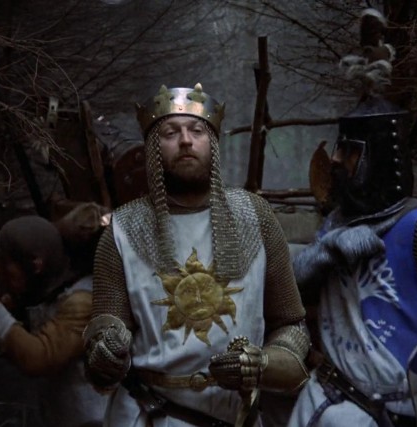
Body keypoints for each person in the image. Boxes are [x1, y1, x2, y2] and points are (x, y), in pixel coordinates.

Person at [83, 83, 311, 426]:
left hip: (237, 415)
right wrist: (106, 346)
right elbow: (107, 321)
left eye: (197, 130)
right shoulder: (124, 229)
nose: (186, 141)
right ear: (152, 148)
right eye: (170, 132)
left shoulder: (255, 217)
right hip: (150, 415)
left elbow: (291, 324)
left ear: (213, 143)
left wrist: (260, 363)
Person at [287, 74, 417, 427]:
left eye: (349, 151)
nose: (335, 159)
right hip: (328, 396)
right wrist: (328, 251)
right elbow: (293, 290)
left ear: (374, 159)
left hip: (398, 412)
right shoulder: (335, 225)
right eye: (339, 148)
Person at [0, 215, 107, 427]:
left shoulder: (85, 300)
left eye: (6, 263)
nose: (0, 271)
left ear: (36, 264)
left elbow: (39, 358)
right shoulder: (36, 295)